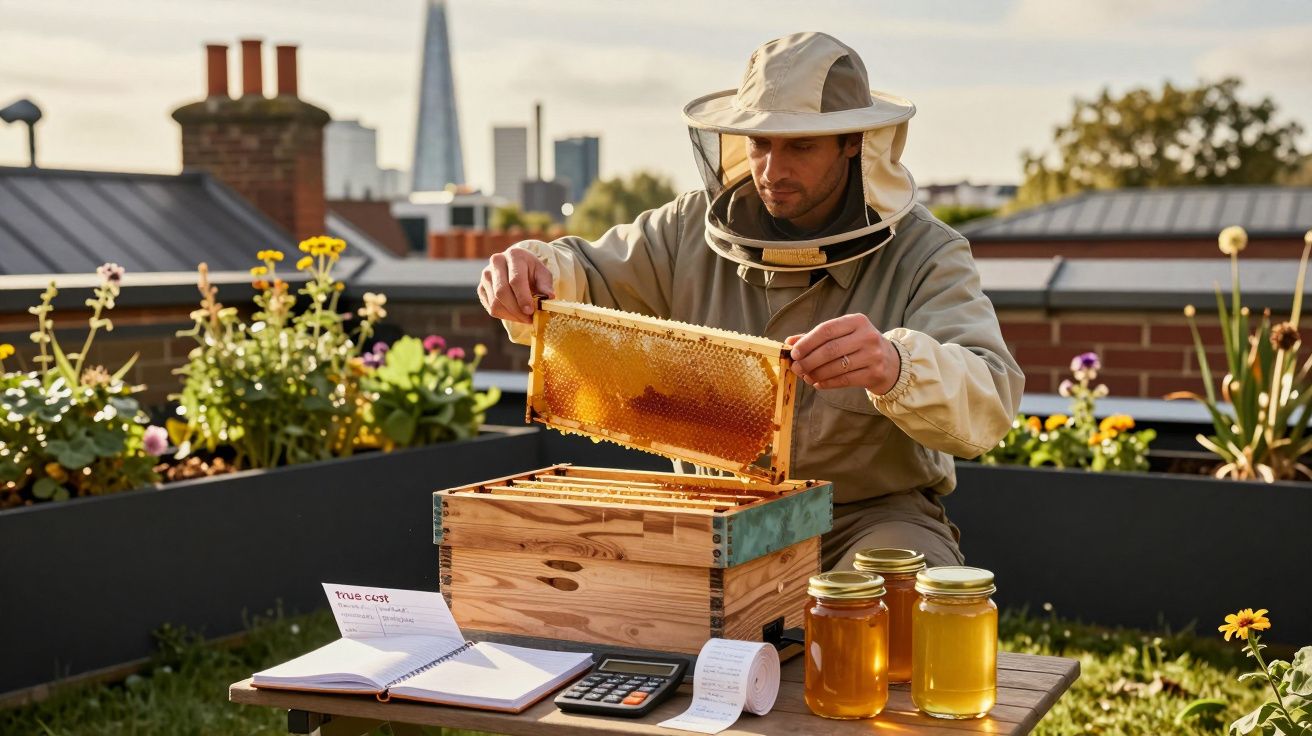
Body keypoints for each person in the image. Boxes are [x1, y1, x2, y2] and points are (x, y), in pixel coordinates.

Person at [478, 31, 1023, 569]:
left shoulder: (928, 252)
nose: (772, 170)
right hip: (711, 515)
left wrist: (896, 364)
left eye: (801, 147)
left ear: (854, 141)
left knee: (901, 609)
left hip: (866, 520)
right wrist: (532, 269)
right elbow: (585, 275)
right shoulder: (683, 229)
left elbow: (990, 396)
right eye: (761, 144)